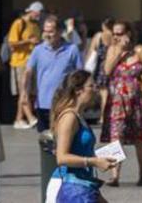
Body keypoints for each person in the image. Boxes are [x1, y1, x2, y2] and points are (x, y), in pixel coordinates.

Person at [99, 20, 142, 187]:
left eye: (120, 33)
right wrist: (118, 52)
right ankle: (115, 176)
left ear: (129, 33)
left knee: (139, 139)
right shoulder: (112, 50)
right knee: (115, 138)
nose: (116, 37)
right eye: (114, 33)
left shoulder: (140, 50)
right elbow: (107, 71)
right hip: (116, 101)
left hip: (137, 100)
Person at [50, 70, 117, 203]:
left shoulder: (79, 117)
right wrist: (94, 162)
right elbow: (61, 157)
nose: (95, 90)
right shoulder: (69, 117)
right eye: (91, 86)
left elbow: (80, 149)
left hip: (85, 184)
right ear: (78, 90)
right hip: (72, 187)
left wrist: (101, 158)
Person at [23, 16, 84, 132]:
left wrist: (79, 99)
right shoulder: (38, 50)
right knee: (45, 141)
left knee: (63, 139)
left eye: (51, 31)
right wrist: (24, 93)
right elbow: (28, 72)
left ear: (60, 31)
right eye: (45, 31)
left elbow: (80, 75)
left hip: (64, 103)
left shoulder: (72, 49)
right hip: (43, 104)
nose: (47, 34)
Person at [8, 1, 44, 130]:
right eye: (37, 13)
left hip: (32, 62)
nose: (39, 16)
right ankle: (27, 118)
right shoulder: (19, 23)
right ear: (31, 11)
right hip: (20, 62)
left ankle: (19, 119)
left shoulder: (35, 25)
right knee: (24, 91)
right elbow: (12, 43)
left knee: (29, 92)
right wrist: (28, 41)